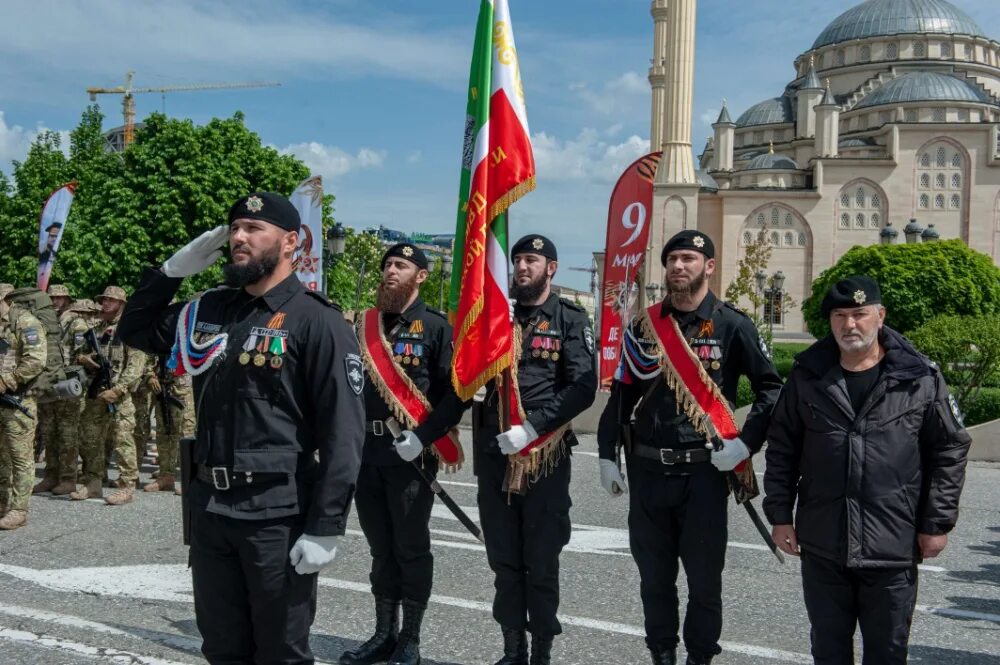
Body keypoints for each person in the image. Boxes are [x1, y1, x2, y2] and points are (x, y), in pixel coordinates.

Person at [118, 192, 365, 665]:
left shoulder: (319, 320)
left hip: (276, 517)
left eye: (254, 228)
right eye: (234, 228)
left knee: (280, 652)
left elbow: (343, 434)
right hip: (211, 509)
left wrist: (326, 526)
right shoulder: (210, 310)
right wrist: (170, 273)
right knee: (222, 648)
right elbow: (134, 329)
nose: (238, 238)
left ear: (290, 241)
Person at [764, 276, 972, 665]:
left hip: (893, 545)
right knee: (828, 651)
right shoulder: (808, 377)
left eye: (860, 314)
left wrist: (936, 523)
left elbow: (949, 448)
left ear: (880, 316)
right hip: (825, 544)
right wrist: (779, 515)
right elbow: (782, 448)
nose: (850, 325)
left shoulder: (919, 378)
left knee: (888, 653)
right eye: (840, 315)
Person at [597, 230, 782, 665]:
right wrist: (607, 454)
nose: (679, 266)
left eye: (689, 259)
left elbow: (772, 390)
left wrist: (746, 445)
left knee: (703, 583)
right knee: (654, 579)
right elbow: (621, 395)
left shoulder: (732, 324)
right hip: (648, 472)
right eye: (673, 259)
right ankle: (661, 654)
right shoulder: (645, 325)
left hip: (703, 475)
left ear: (709, 267)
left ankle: (700, 658)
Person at [342, 242, 467, 665]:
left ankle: (410, 638)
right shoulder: (364, 325)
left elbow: (457, 394)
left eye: (401, 265)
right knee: (380, 548)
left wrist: (425, 436)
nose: (390, 272)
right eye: (387, 266)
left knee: (411, 547)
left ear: (422, 276)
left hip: (411, 454)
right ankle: (383, 633)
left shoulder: (435, 328)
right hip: (367, 452)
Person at [474, 234, 596, 665]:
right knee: (504, 560)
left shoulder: (568, 318)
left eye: (532, 260)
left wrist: (532, 429)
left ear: (552, 268)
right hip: (494, 455)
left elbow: (583, 386)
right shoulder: (493, 316)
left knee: (541, 560)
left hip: (545, 456)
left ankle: (541, 649)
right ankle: (512, 650)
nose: (522, 267)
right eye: (517, 260)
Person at [70, 286, 146, 505]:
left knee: (123, 440)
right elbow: (80, 354)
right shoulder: (97, 328)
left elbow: (135, 366)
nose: (105, 303)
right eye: (104, 300)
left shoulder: (130, 329)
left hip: (118, 395)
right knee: (90, 438)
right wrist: (85, 359)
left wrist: (118, 389)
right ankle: (93, 481)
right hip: (96, 390)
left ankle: (126, 485)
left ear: (122, 303)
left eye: (111, 300)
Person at [34, 284, 88, 496]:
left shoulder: (76, 323)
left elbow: (82, 354)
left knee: (67, 434)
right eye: (52, 298)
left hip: (67, 384)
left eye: (59, 298)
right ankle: (50, 475)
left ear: (67, 300)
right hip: (47, 384)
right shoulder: (45, 322)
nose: (55, 301)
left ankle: (68, 478)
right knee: (49, 433)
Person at [0, 288, 47, 530]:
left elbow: (36, 360)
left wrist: (6, 381)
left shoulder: (26, 322)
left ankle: (19, 509)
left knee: (20, 457)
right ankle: (2, 504)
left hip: (18, 400)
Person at [141, 352, 193, 494]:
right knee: (164, 434)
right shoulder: (160, 336)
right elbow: (147, 358)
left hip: (185, 391)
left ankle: (188, 480)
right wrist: (150, 376)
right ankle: (166, 476)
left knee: (186, 435)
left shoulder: (190, 333)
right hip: (162, 389)